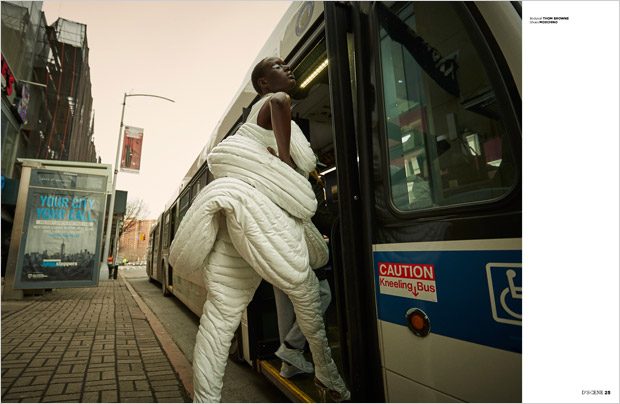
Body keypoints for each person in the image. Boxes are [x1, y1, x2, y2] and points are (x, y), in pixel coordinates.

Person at [169, 57, 350, 402]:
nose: (290, 69)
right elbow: (281, 103)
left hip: (240, 209)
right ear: (265, 83)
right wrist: (284, 159)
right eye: (280, 67)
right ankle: (328, 377)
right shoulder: (271, 102)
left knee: (220, 317)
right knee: (309, 293)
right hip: (264, 212)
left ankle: (205, 399)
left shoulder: (254, 123)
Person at [273, 170, 335, 378]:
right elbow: (318, 216)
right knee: (323, 294)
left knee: (286, 309)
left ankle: (289, 366)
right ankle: (291, 348)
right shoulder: (304, 178)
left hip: (275, 249)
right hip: (298, 250)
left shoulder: (269, 177)